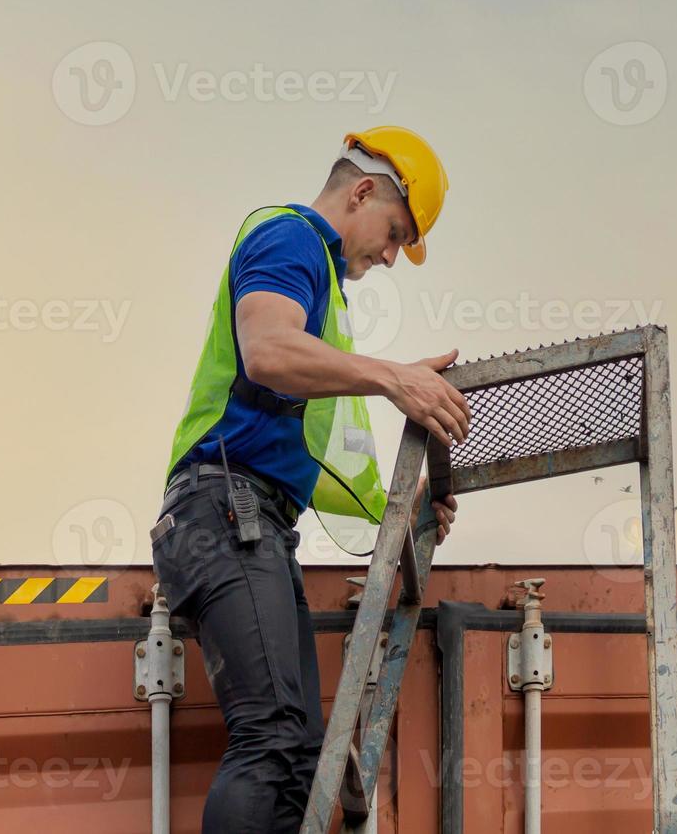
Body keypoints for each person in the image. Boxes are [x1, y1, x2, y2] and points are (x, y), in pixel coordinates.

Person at [150, 126, 470, 833]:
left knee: (294, 754)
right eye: (394, 233)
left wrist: (410, 510)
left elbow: (318, 467)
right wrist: (395, 378)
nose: (390, 256)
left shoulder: (324, 305)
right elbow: (264, 350)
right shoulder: (290, 237)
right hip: (224, 511)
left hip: (252, 518)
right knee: (270, 742)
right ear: (361, 190)